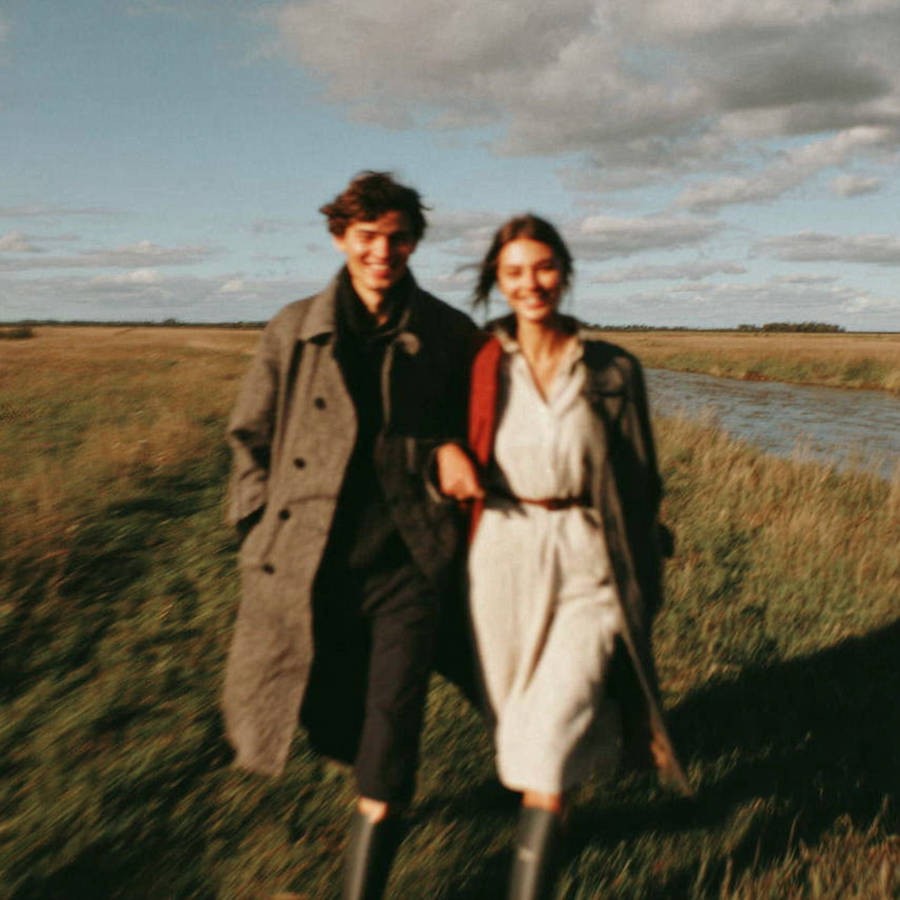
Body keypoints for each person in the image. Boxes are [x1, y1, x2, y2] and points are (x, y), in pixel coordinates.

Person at [222, 171, 479, 899]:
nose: (383, 252)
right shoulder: (293, 327)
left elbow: (475, 433)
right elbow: (250, 435)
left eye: (398, 238)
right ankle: (367, 774)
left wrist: (445, 454)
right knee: (332, 712)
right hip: (313, 560)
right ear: (340, 237)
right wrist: (254, 526)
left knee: (392, 726)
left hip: (411, 561)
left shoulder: (448, 332)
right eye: (368, 236)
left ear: (415, 242)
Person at [437, 214, 691, 900]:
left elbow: (640, 474)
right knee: (519, 727)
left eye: (544, 266)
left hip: (588, 552)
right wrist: (443, 453)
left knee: (548, 734)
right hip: (501, 552)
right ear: (497, 280)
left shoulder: (611, 368)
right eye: (514, 271)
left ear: (566, 271)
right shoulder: (478, 363)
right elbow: (432, 429)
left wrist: (647, 556)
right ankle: (558, 810)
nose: (531, 283)